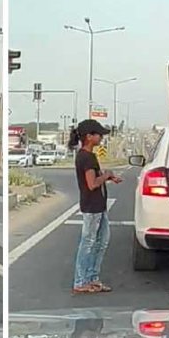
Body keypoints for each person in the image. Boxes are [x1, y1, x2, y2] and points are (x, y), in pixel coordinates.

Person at [68, 119, 122, 294]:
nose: (101, 137)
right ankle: (81, 281)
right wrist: (106, 176)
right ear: (89, 137)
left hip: (98, 206)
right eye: (98, 134)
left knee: (101, 242)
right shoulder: (86, 157)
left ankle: (92, 278)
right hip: (92, 207)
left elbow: (94, 178)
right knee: (89, 243)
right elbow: (91, 184)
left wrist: (108, 176)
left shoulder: (88, 156)